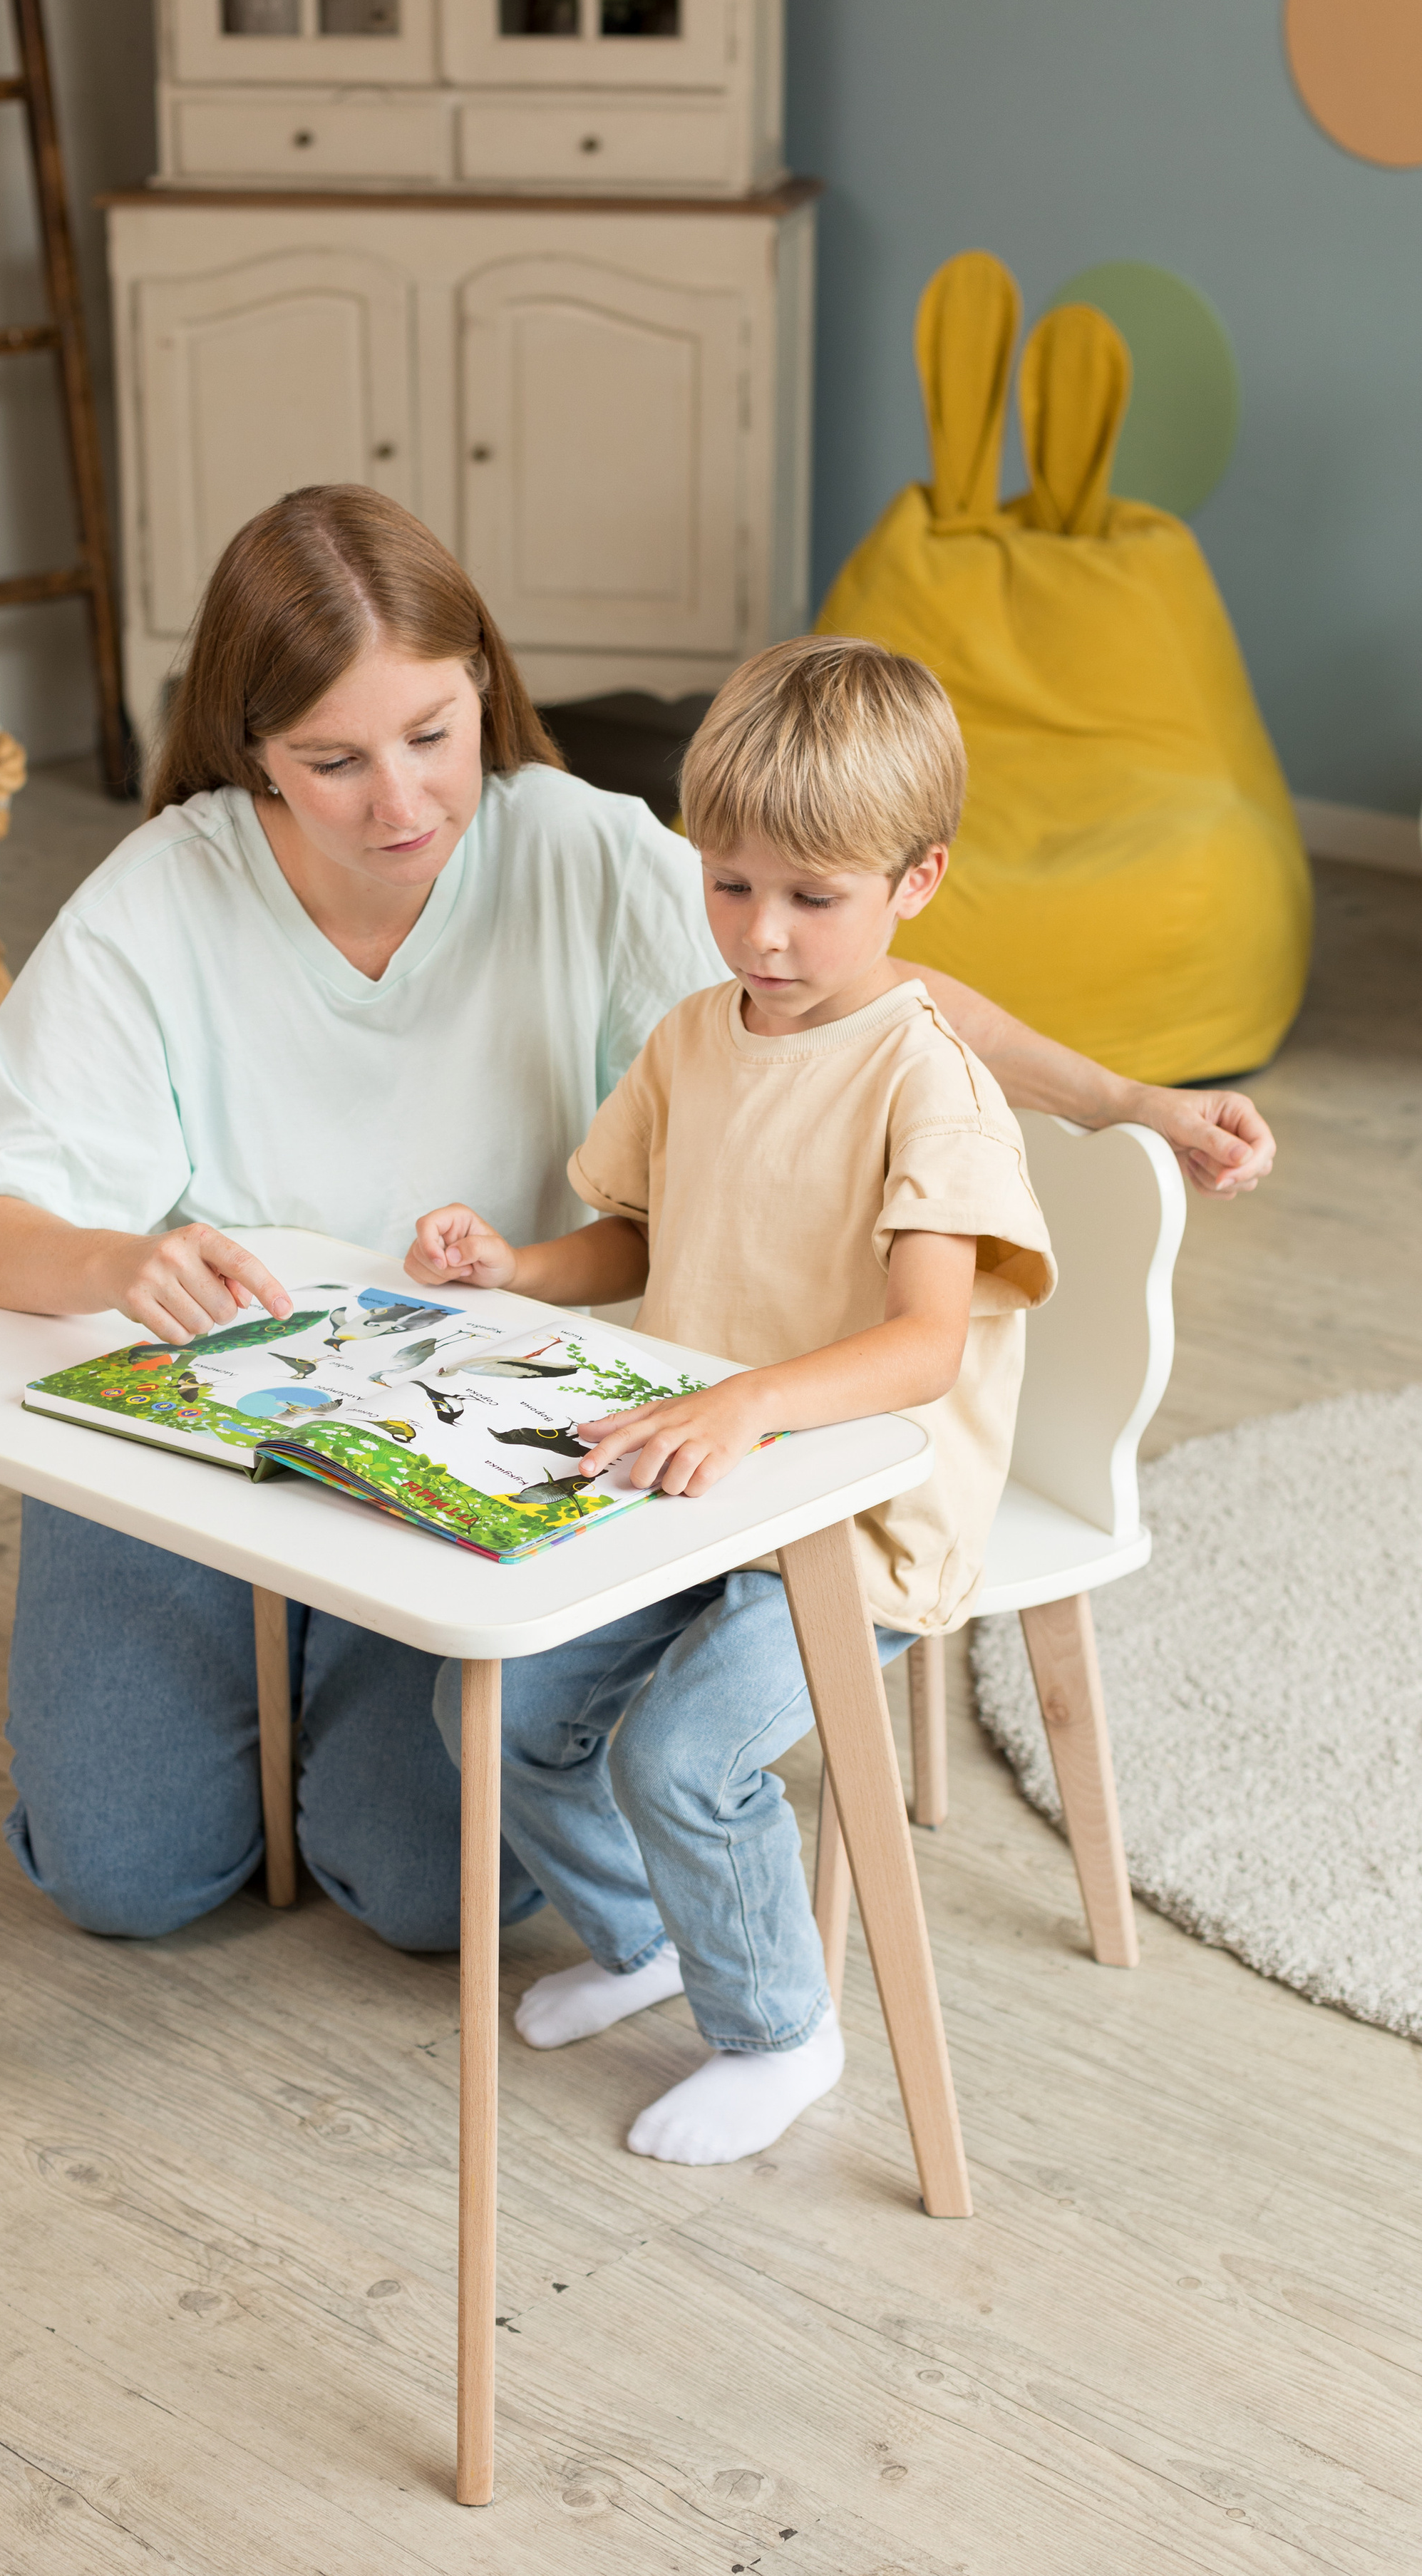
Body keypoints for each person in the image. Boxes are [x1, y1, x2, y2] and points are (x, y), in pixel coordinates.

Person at [0, 485, 1274, 1961]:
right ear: (252, 749)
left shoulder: (574, 847)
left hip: (462, 1443)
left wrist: (1124, 1100)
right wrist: (121, 1260)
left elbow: (869, 994)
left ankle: (320, 1679)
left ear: (482, 688)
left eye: (432, 736)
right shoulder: (159, 899)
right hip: (202, 1432)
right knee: (123, 1875)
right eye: (333, 761)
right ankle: (269, 1670)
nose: (401, 804)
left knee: (426, 1892)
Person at [408, 637, 1055, 2164]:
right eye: (728, 883)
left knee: (681, 1759)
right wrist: (515, 1267)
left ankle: (780, 2033)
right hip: (695, 1480)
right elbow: (640, 1237)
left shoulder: (926, 1081)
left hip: (855, 1521)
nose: (761, 933)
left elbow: (924, 1347)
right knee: (496, 1713)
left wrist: (750, 1407)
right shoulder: (695, 1038)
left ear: (915, 880)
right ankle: (643, 1939)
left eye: (811, 898)